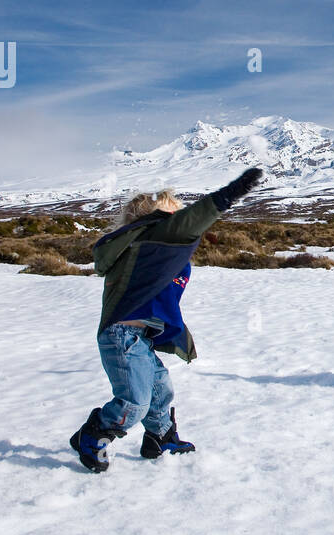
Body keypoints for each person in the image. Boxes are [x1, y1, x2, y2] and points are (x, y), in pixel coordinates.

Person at [70, 167, 264, 472]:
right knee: (134, 403)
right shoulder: (155, 234)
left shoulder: (151, 245)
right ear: (156, 215)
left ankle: (159, 437)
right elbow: (193, 219)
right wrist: (231, 192)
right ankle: (93, 435)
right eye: (175, 208)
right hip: (122, 336)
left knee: (162, 390)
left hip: (138, 338)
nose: (181, 212)